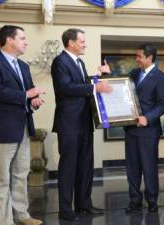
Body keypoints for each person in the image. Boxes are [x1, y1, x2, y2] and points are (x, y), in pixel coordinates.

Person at [0, 25, 45, 225]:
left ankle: (22, 215)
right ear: (9, 40)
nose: (26, 42)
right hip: (0, 130)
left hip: (22, 128)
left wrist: (34, 100)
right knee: (0, 181)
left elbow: (29, 91)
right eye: (22, 38)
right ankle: (3, 221)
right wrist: (27, 95)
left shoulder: (23, 66)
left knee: (20, 174)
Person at [51, 28, 113, 221]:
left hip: (84, 122)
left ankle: (83, 205)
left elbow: (82, 86)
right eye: (82, 41)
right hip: (69, 124)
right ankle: (65, 209)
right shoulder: (60, 61)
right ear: (71, 43)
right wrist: (94, 86)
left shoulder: (79, 62)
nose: (85, 44)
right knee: (68, 168)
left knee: (85, 166)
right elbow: (66, 88)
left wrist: (97, 75)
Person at [123, 43, 164, 214]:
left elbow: (162, 104)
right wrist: (105, 74)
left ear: (149, 58)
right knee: (132, 168)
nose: (137, 59)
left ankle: (152, 201)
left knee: (149, 167)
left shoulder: (160, 77)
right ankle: (134, 201)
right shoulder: (134, 74)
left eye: (139, 56)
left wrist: (147, 118)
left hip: (148, 131)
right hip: (131, 129)